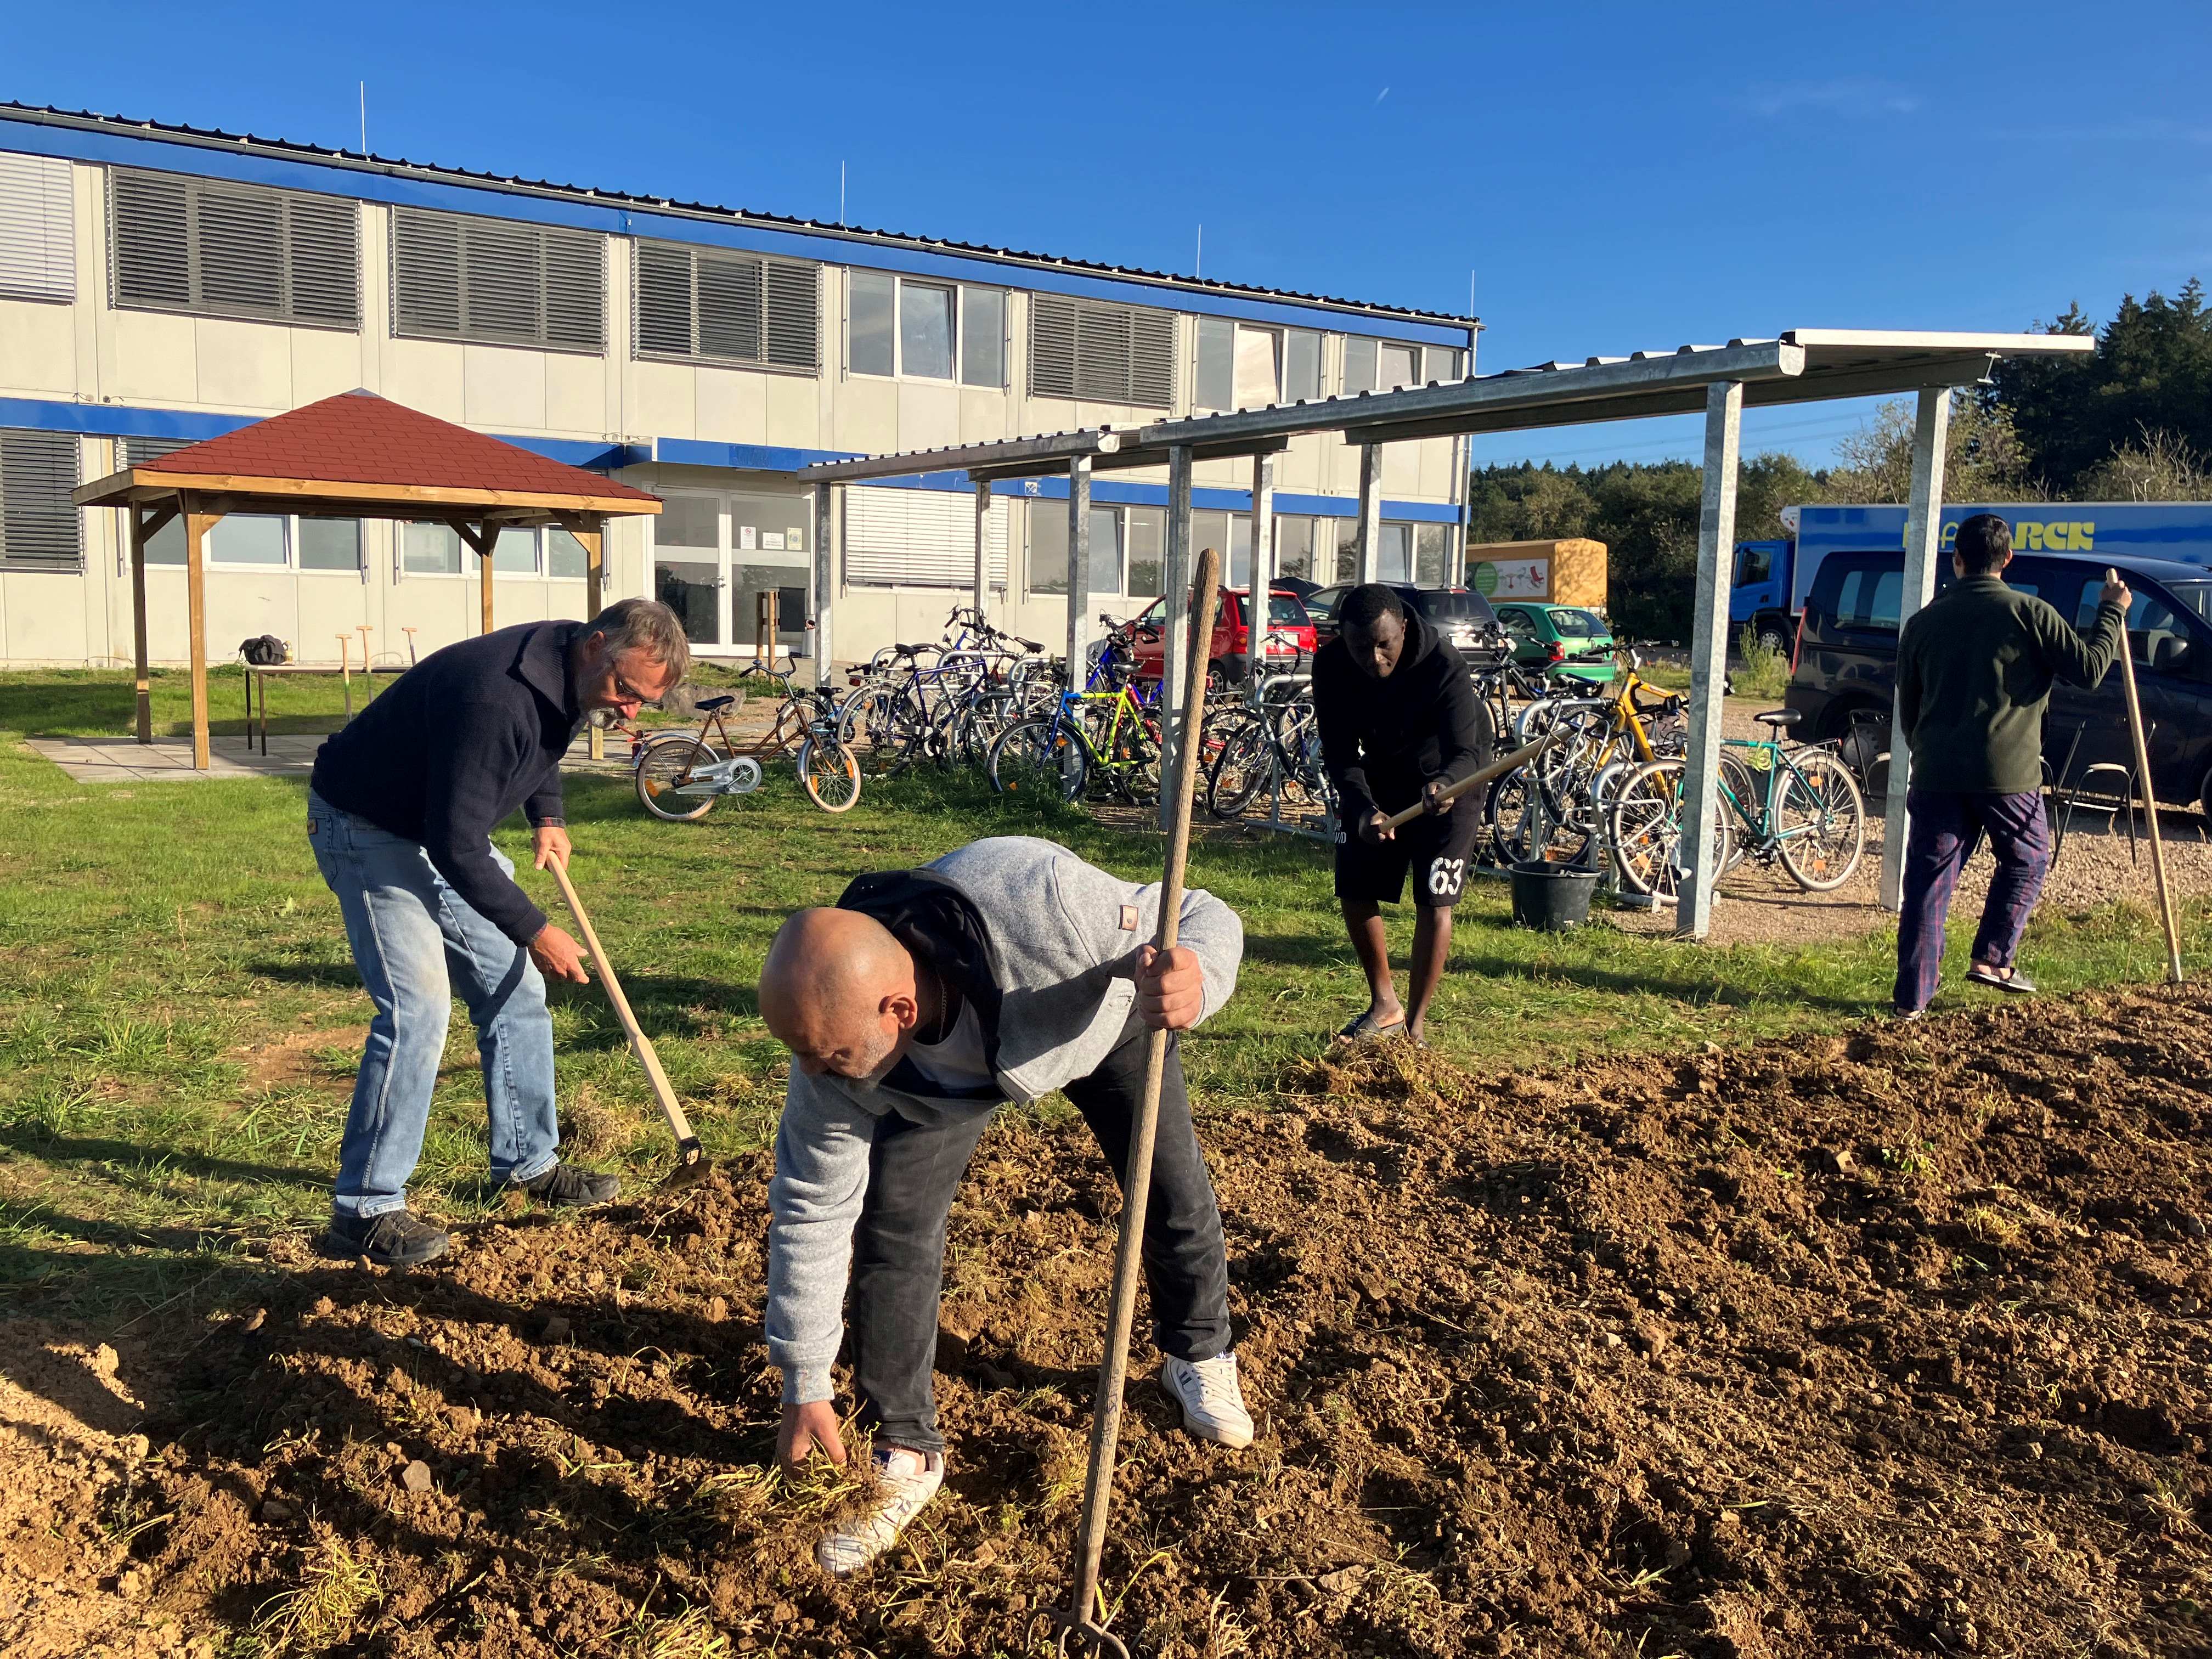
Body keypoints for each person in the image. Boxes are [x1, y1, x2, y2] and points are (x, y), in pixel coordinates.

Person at [757, 836, 1251, 1576]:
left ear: (898, 1008)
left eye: (826, 1057)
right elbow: (811, 1210)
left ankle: (1199, 1352)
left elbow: (1199, 913)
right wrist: (805, 1381)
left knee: (1168, 1191)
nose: (812, 1074)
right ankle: (904, 1447)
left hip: (1096, 1024)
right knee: (895, 1230)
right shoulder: (835, 1044)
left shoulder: (1053, 913)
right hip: (939, 1082)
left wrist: (1196, 978)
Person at [306, 599, 689, 1266]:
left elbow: (543, 743)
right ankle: (363, 1210)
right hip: (366, 826)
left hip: (435, 825)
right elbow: (458, 846)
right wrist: (537, 929)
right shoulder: (496, 696)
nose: (629, 710)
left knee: (513, 994)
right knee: (418, 1010)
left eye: (643, 703)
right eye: (626, 691)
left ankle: (527, 1163)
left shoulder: (569, 669)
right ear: (596, 644)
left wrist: (548, 813)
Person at [1893, 514, 2128, 1017]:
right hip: (2008, 776)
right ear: (2008, 560)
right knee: (2028, 858)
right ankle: (1993, 958)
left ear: (1957, 560)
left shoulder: (1921, 623)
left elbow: (1907, 706)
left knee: (1928, 883)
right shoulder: (2031, 614)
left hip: (1937, 772)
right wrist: (2111, 613)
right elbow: (2088, 670)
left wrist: (1925, 749)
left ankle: (1912, 1000)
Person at [1312, 584, 1494, 1046]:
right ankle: (1385, 1004)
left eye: (1384, 644)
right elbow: (1338, 751)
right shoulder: (1332, 664)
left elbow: (1467, 752)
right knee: (1355, 887)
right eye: (1360, 646)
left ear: (1404, 629)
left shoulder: (1444, 665)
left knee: (1434, 900)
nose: (1374, 658)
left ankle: (1415, 1028)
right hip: (1381, 777)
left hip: (1451, 782)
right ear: (1342, 637)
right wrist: (1362, 807)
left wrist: (1446, 785)